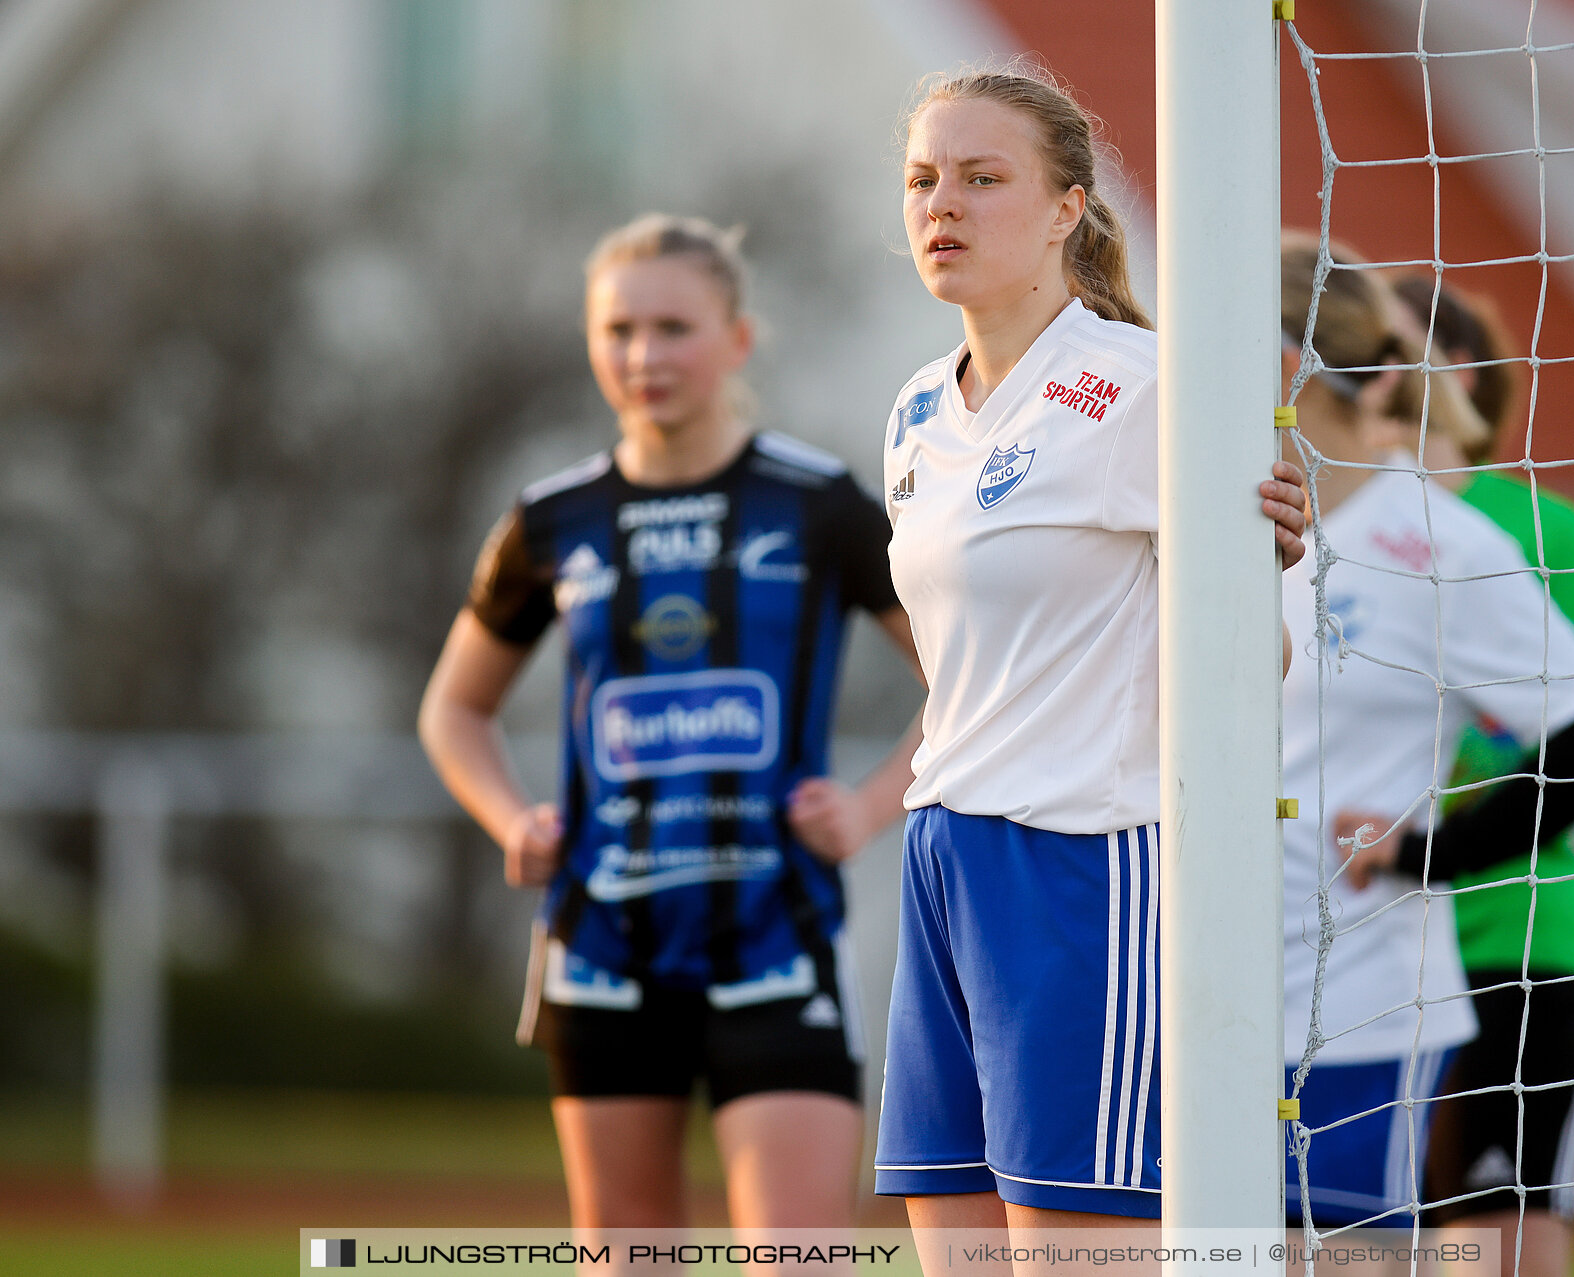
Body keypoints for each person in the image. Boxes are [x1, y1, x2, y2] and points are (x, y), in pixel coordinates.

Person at [870, 66, 1310, 1250]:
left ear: (1067, 206)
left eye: (981, 176)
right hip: (942, 851)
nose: (941, 204)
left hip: (1085, 866)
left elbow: (1263, 653)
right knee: (949, 1236)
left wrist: (1266, 567)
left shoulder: (1148, 387)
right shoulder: (917, 411)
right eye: (922, 179)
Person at [417, 213, 922, 1231]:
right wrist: (512, 818)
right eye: (620, 330)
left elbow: (967, 681)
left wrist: (869, 807)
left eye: (674, 327)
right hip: (603, 943)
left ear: (737, 339)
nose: (644, 355)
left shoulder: (819, 503)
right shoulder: (550, 519)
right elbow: (454, 709)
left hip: (778, 938)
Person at [1276, 236, 1574, 1234]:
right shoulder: (1210, 517)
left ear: (1293, 365)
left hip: (1363, 1000)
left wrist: (1422, 852)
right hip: (1197, 988)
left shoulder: (1439, 538)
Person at [1390, 274, 1574, 1277]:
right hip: (1352, 960)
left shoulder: (1550, 532)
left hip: (1514, 946)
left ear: (1463, 375)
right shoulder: (1316, 526)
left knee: (1496, 1245)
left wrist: (1433, 854)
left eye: (1401, 351)